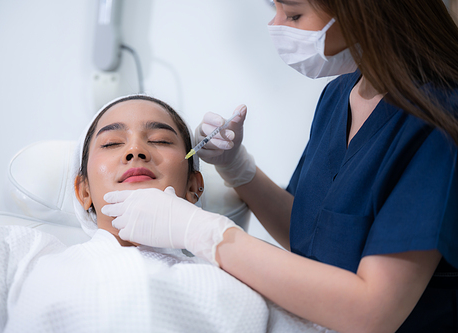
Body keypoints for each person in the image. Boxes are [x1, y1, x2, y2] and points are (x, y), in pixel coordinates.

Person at [100, 1, 458, 332]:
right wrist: (237, 168)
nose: (275, 26)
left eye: (293, 15)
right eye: (112, 143)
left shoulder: (439, 122)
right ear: (81, 189)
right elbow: (314, 233)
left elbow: (373, 310)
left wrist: (201, 231)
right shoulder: (340, 94)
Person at [0, 95, 327, 333]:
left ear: (194, 186)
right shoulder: (12, 252)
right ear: (82, 190)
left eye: (161, 140)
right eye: (112, 143)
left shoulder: (248, 276)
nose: (135, 150)